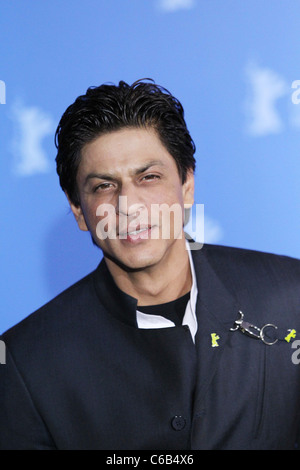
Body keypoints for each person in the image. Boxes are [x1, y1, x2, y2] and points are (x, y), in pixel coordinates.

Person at [1, 79, 300, 451]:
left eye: (149, 177)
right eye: (104, 186)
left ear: (187, 186)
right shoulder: (26, 361)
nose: (129, 205)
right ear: (79, 209)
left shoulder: (290, 295)